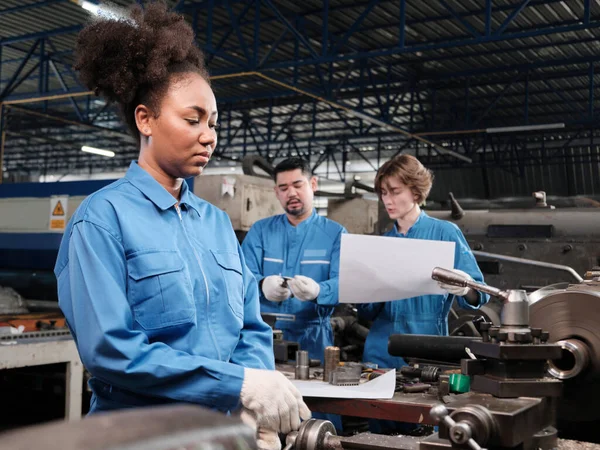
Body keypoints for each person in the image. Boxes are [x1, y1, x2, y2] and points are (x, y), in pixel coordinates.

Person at [53, 4, 309, 449]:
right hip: (138, 437)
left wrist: (252, 401)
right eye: (192, 120)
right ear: (145, 120)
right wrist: (237, 385)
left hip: (221, 435)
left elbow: (250, 324)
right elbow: (112, 350)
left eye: (213, 123)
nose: (209, 135)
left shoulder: (215, 223)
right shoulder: (101, 220)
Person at [358, 154, 489, 433]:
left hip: (429, 351)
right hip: (381, 351)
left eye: (395, 192)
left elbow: (481, 295)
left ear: (415, 191)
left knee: (425, 429)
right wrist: (367, 290)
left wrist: (466, 287)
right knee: (379, 433)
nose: (387, 200)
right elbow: (367, 312)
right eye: (383, 193)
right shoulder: (382, 244)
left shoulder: (444, 233)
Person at [241, 157, 347, 363]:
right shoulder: (260, 231)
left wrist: (319, 291)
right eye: (283, 187)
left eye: (298, 185)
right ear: (276, 192)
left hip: (314, 337)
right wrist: (262, 285)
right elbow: (241, 276)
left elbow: (344, 283)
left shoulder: (336, 234)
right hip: (264, 336)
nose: (291, 193)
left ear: (313, 184)